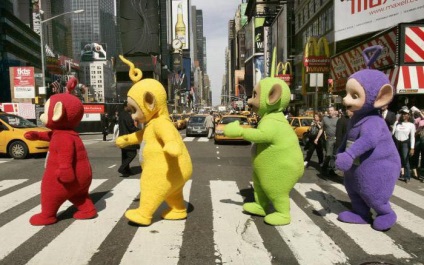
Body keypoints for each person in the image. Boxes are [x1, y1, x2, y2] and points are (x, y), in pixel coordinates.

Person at [392, 106, 415, 183]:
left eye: (405, 114)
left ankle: (407, 176)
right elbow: (392, 133)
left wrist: (412, 148)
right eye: (402, 114)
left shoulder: (411, 125)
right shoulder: (397, 123)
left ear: (409, 115)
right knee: (396, 159)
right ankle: (395, 174)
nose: (404, 115)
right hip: (396, 142)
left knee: (405, 160)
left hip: (405, 143)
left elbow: (412, 137)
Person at [117, 101, 139, 176]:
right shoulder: (126, 115)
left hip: (122, 137)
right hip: (128, 138)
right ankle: (122, 168)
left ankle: (126, 171)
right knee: (132, 154)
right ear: (126, 106)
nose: (131, 107)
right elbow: (131, 127)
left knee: (125, 155)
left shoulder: (121, 114)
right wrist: (140, 131)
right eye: (130, 106)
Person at [317, 106, 339, 175]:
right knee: (328, 155)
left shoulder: (338, 119)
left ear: (334, 111)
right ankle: (324, 167)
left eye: (331, 110)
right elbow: (321, 129)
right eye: (329, 110)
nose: (330, 112)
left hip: (336, 139)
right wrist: (317, 138)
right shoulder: (325, 119)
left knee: (334, 155)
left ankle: (332, 170)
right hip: (329, 139)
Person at [410, 106, 424, 182]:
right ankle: (414, 171)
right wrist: (418, 113)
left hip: (422, 139)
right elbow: (414, 122)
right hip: (418, 138)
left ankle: (421, 174)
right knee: (415, 156)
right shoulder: (418, 120)